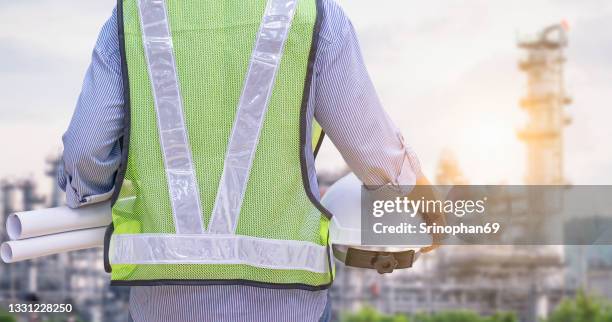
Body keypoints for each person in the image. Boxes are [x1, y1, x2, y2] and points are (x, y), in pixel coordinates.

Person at [59, 0, 425, 321]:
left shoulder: (135, 14)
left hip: (162, 305)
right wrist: (429, 206)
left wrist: (90, 195)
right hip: (288, 306)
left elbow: (86, 150)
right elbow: (374, 152)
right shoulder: (313, 14)